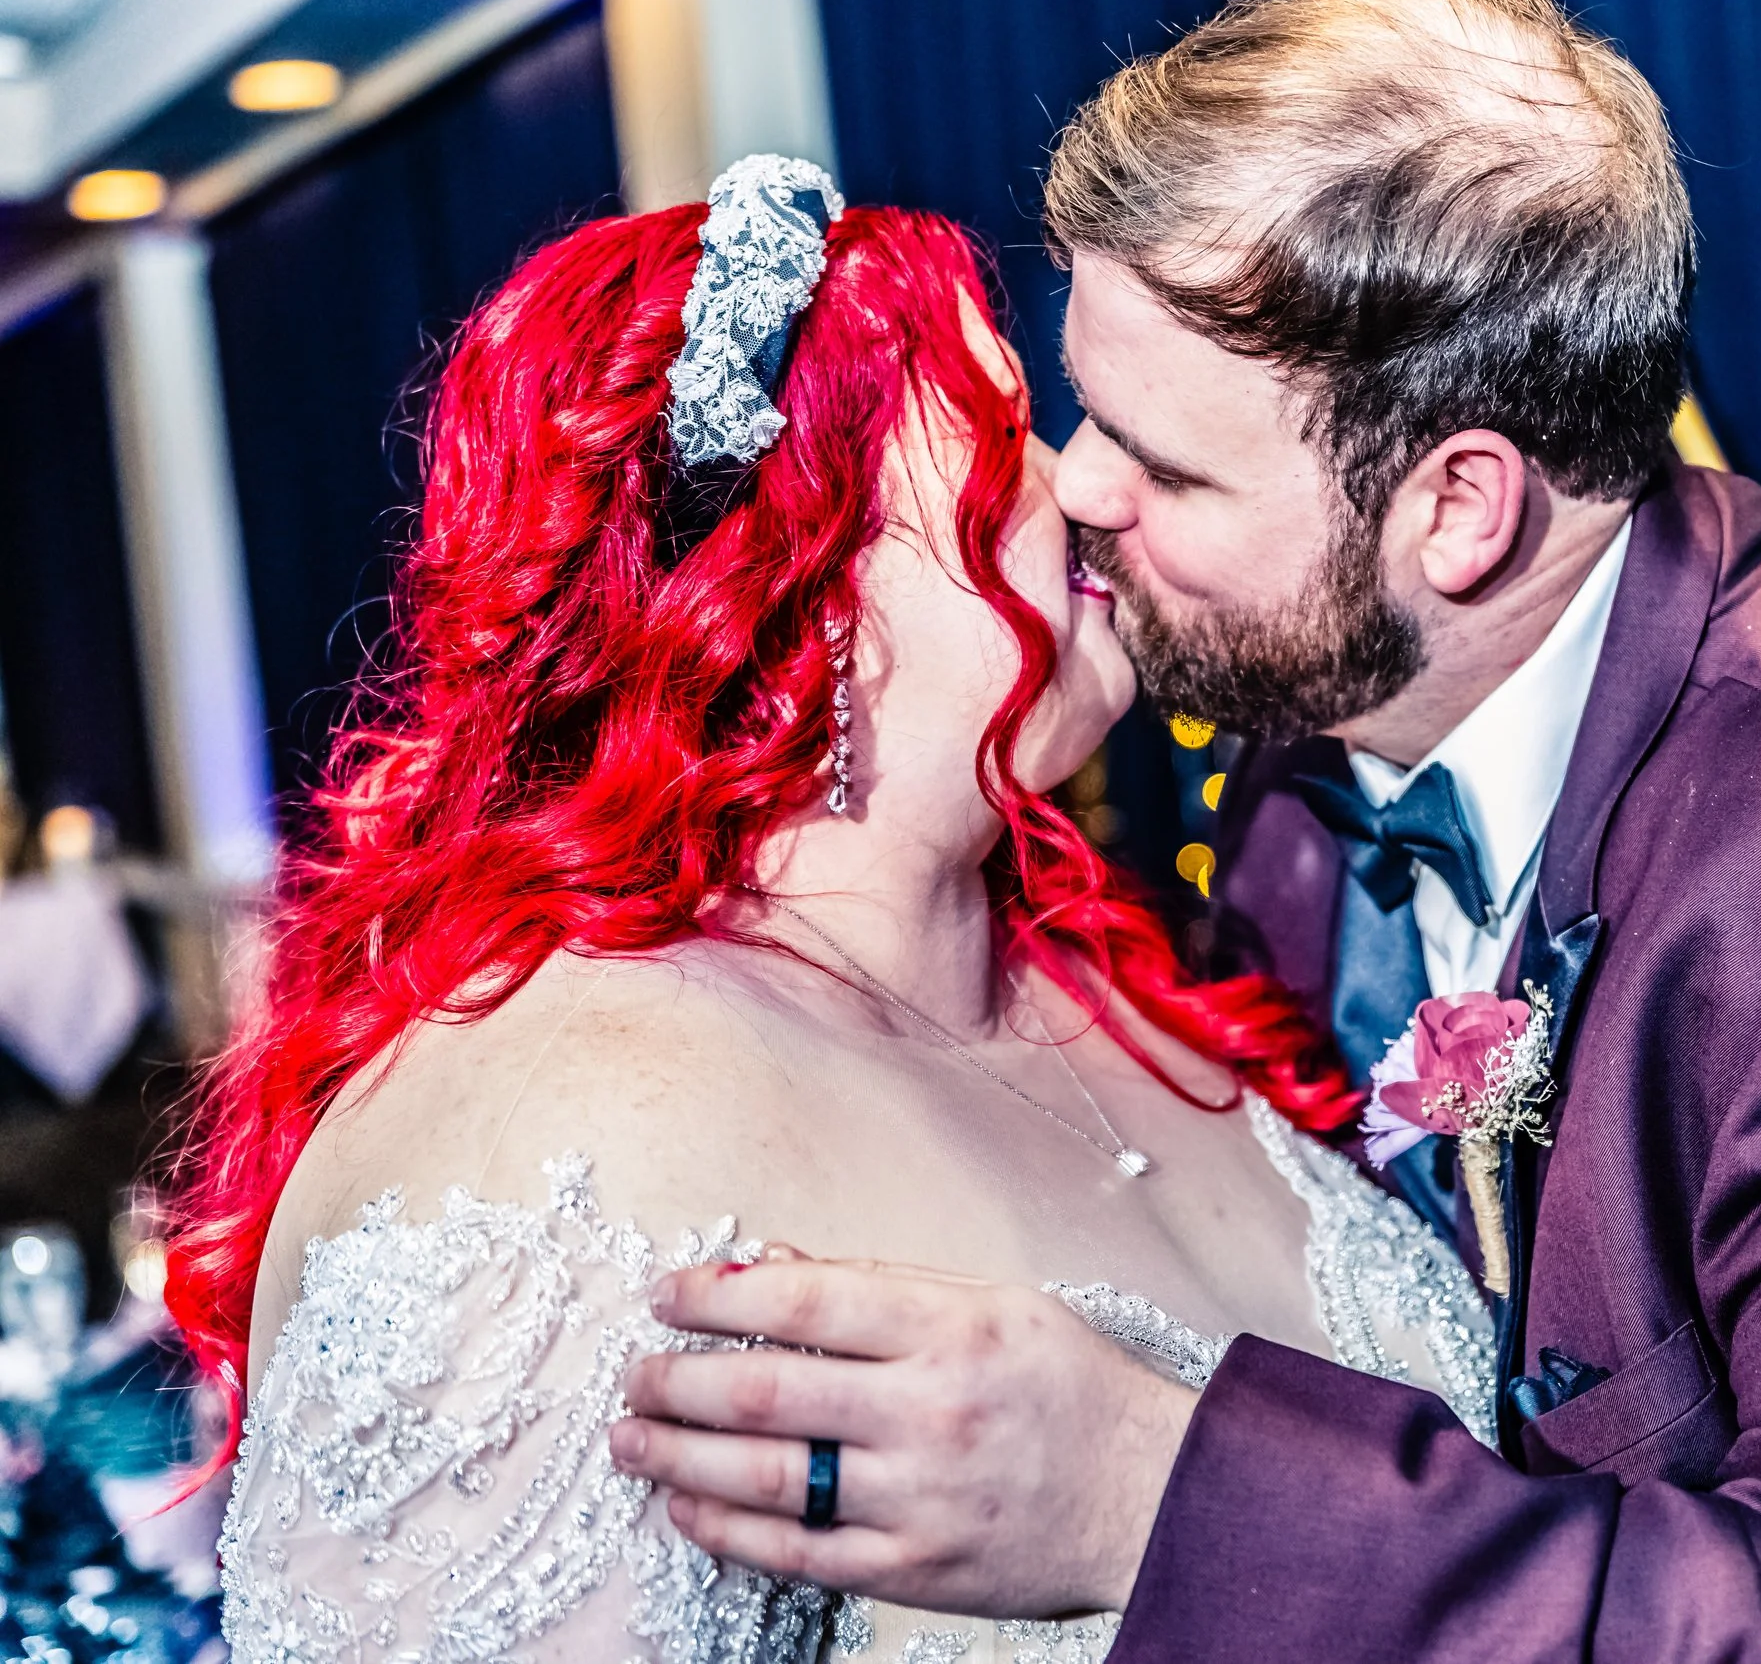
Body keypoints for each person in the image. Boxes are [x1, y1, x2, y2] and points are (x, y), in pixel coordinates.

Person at [610, 1, 1761, 1660]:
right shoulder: (1301, 736)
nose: (1073, 496)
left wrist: (1150, 1495)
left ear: (1458, 511)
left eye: (1163, 462)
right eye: (1091, 410)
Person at [167, 157, 1498, 1664]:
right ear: (800, 600)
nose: (1082, 487)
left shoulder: (1109, 975)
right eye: (1004, 449)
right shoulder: (565, 1140)